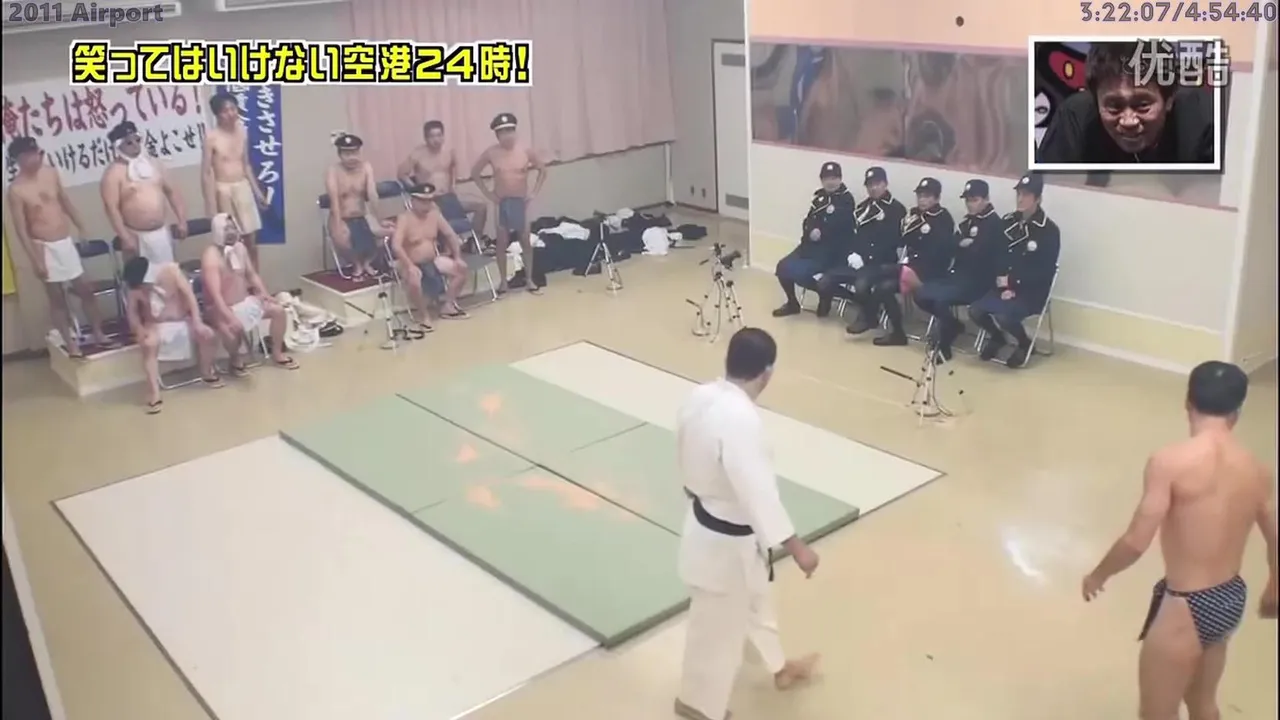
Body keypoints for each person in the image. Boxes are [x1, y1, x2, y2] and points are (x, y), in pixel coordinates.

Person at [1082, 361, 1278, 720]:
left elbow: (1136, 541)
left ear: (1188, 402)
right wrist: (1275, 586)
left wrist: (1099, 575)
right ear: (1238, 411)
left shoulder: (1169, 462)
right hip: (1229, 597)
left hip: (1185, 606)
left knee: (1157, 713)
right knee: (1203, 703)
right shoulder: (1258, 469)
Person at [675, 327, 821, 720]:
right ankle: (698, 705)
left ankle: (780, 668)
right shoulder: (741, 420)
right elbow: (759, 493)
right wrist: (798, 549)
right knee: (716, 632)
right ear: (767, 373)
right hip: (724, 545)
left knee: (758, 604)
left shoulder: (701, 395)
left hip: (711, 525)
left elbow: (683, 445)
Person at [5, 136, 113, 357]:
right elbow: (21, 230)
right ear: (19, 159)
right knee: (57, 299)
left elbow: (65, 202)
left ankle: (98, 332)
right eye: (30, 156)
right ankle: (70, 343)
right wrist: (35, 260)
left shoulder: (50, 173)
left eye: (37, 154)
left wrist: (81, 227)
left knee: (85, 290)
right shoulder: (16, 190)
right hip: (43, 246)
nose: (36, 159)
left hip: (65, 242)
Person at [1036, 41, 1216, 166]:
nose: (1128, 121)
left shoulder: (1206, 119)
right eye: (1114, 107)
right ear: (1095, 100)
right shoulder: (1074, 117)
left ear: (1169, 99)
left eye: (1142, 105)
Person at [969, 173, 1061, 368]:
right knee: (975, 310)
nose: (1020, 199)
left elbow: (1044, 271)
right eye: (1018, 194)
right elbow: (997, 255)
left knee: (1003, 316)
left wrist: (1013, 283)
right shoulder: (1007, 222)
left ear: (1038, 199)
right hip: (1003, 287)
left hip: (1031, 292)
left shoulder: (1049, 231)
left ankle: (1025, 344)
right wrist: (1003, 284)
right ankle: (997, 337)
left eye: (1026, 195)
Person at [912, 178, 1003, 361]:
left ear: (986, 199)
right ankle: (952, 324)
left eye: (974, 200)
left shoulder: (994, 224)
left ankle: (944, 346)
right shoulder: (968, 222)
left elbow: (982, 253)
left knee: (941, 300)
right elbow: (950, 244)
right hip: (957, 276)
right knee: (920, 293)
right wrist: (961, 244)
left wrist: (963, 245)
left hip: (979, 281)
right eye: (968, 200)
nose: (970, 204)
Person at [198, 213, 298, 376]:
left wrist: (264, 293)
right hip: (219, 308)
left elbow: (251, 275)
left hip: (244, 302)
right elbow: (216, 296)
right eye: (226, 229)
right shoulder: (211, 256)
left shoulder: (240, 248)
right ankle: (234, 359)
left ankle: (277, 353)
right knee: (230, 331)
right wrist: (230, 317)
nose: (231, 232)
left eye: (233, 228)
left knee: (278, 311)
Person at [120, 256, 221, 414]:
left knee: (208, 335)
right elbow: (132, 313)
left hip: (181, 319)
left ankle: (207, 372)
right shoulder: (135, 287)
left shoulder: (171, 271)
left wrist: (197, 321)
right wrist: (138, 329)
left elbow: (190, 297)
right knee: (148, 344)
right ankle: (154, 392)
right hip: (155, 324)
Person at [813, 166, 906, 335]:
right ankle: (865, 307)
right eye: (870, 185)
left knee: (862, 285)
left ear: (885, 184)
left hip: (881, 263)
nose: (873, 188)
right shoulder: (863, 207)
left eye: (877, 184)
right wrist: (852, 253)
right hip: (858, 261)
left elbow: (891, 241)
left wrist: (867, 257)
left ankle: (868, 316)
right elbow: (853, 235)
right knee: (825, 281)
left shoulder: (896, 209)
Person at [864, 176, 955, 347]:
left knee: (881, 270)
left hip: (930, 272)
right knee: (883, 288)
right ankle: (897, 333)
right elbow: (904, 240)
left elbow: (939, 251)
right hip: (909, 268)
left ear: (937, 198)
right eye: (920, 196)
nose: (922, 200)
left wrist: (912, 265)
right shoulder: (914, 215)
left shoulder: (943, 218)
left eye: (927, 196)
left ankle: (868, 317)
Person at [470, 113, 548, 295]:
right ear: (497, 135)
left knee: (525, 240)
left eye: (510, 131)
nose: (507, 135)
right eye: (503, 132)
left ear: (515, 132)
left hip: (521, 202)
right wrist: (489, 194)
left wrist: (533, 193)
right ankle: (504, 282)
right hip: (502, 202)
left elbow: (543, 171)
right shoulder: (491, 153)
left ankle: (529, 279)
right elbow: (475, 173)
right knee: (501, 242)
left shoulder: (525, 151)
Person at [771, 161, 855, 318]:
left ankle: (827, 295)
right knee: (782, 267)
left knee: (801, 274)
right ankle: (792, 303)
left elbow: (840, 226)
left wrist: (820, 231)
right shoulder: (820, 197)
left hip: (830, 251)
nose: (830, 182)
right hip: (809, 246)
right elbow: (808, 220)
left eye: (834, 178)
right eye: (826, 178)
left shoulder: (846, 199)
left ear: (840, 179)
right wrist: (811, 230)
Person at [100, 120, 189, 264]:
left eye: (137, 140)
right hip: (136, 236)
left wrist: (182, 221)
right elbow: (111, 209)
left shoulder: (156, 164)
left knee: (167, 274)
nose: (135, 145)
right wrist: (125, 237)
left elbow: (173, 192)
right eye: (129, 143)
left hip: (161, 233)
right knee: (142, 277)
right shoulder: (113, 174)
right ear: (118, 147)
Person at [389, 182, 470, 330]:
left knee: (461, 269)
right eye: (422, 201)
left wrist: (457, 257)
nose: (426, 205)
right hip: (410, 262)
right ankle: (424, 315)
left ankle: (448, 305)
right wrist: (410, 266)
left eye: (429, 201)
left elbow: (451, 235)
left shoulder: (435, 215)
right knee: (414, 278)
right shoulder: (404, 218)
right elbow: (396, 246)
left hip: (432, 259)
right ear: (413, 200)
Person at [202, 91, 269, 269]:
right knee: (230, 243)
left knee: (251, 241)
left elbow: (246, 165)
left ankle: (255, 280)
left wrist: (258, 194)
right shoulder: (211, 138)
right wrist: (210, 206)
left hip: (243, 187)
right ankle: (236, 281)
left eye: (233, 108)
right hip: (223, 190)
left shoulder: (242, 131)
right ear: (217, 115)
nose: (231, 113)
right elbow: (206, 173)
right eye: (226, 111)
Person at [397, 120, 488, 241]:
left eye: (439, 135)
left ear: (443, 136)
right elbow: (401, 174)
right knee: (440, 218)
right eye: (432, 136)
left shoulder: (449, 152)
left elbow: (454, 167)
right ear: (426, 138)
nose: (436, 140)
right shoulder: (417, 154)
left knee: (481, 206)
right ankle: (449, 244)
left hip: (448, 197)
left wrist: (453, 185)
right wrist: (417, 191)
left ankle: (475, 241)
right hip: (430, 200)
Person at [325, 132, 393, 281]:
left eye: (355, 153)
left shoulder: (366, 167)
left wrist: (379, 219)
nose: (352, 157)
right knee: (341, 237)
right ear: (340, 154)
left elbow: (372, 195)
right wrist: (337, 224)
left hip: (363, 215)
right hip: (341, 216)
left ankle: (367, 262)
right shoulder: (333, 171)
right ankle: (357, 264)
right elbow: (334, 201)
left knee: (387, 232)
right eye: (347, 154)